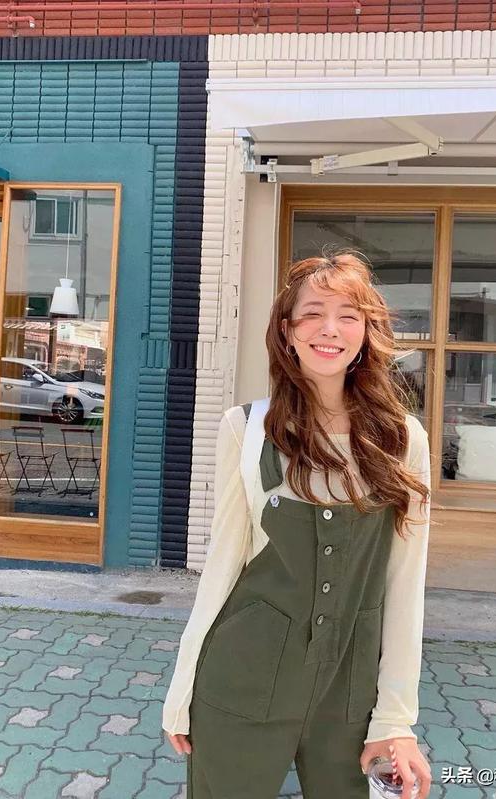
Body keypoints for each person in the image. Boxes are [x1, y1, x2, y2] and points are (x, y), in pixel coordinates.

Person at [162, 252, 433, 799]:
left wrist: (396, 718)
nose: (329, 329)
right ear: (287, 331)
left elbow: (406, 584)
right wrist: (181, 688)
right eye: (312, 314)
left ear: (366, 333)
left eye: (348, 315)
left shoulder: (403, 439)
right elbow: (222, 566)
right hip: (242, 677)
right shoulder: (246, 428)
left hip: (352, 694)